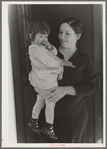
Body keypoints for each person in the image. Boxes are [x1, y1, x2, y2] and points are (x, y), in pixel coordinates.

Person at [35, 17, 96, 143]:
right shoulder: (48, 54)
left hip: (75, 117)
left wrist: (66, 90)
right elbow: (36, 76)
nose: (62, 37)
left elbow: (91, 86)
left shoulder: (84, 59)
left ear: (77, 36)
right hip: (49, 119)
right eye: (60, 32)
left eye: (67, 33)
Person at [27, 21, 75, 140]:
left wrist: (49, 46)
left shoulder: (41, 47)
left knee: (40, 101)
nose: (43, 39)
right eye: (40, 36)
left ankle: (34, 121)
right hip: (46, 82)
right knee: (50, 104)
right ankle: (49, 127)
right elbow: (48, 60)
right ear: (31, 36)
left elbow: (53, 53)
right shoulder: (36, 50)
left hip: (44, 80)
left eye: (46, 36)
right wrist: (61, 62)